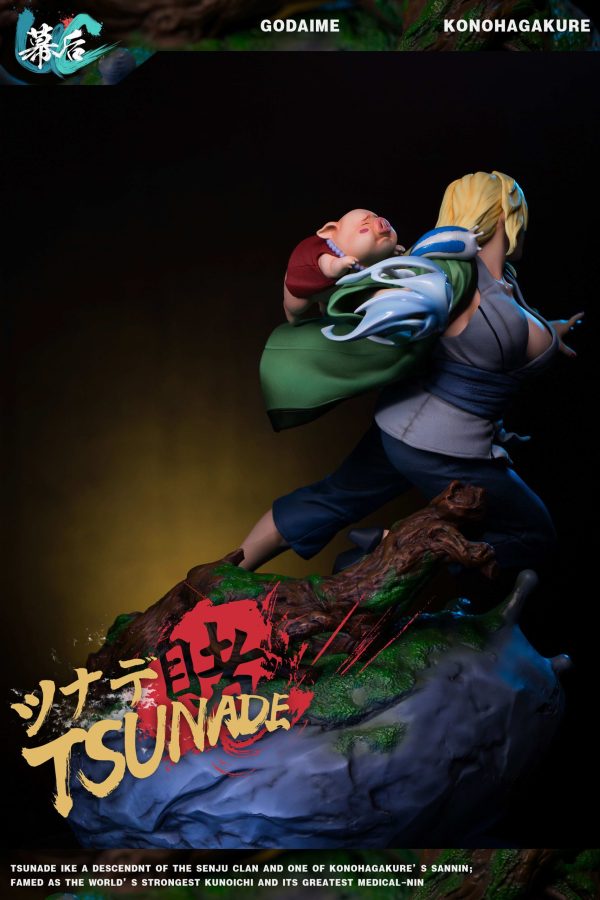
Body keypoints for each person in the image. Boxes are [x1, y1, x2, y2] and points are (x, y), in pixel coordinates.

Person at [240, 172, 583, 583]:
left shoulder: (500, 278)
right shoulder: (449, 275)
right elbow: (397, 301)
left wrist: (551, 332)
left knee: (332, 498)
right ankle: (389, 552)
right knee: (532, 535)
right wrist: (347, 278)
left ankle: (231, 567)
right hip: (442, 443)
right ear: (507, 215)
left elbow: (510, 335)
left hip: (405, 425)